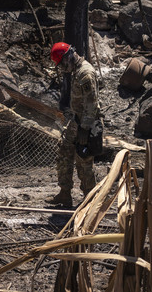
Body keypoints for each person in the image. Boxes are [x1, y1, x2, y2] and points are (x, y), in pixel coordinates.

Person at [47, 42, 103, 206]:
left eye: (63, 64)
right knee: (64, 155)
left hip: (87, 124)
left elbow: (92, 104)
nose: (63, 68)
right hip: (76, 121)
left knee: (83, 161)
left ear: (69, 56)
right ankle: (65, 194)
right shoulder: (76, 71)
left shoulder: (85, 73)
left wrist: (84, 130)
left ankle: (90, 199)